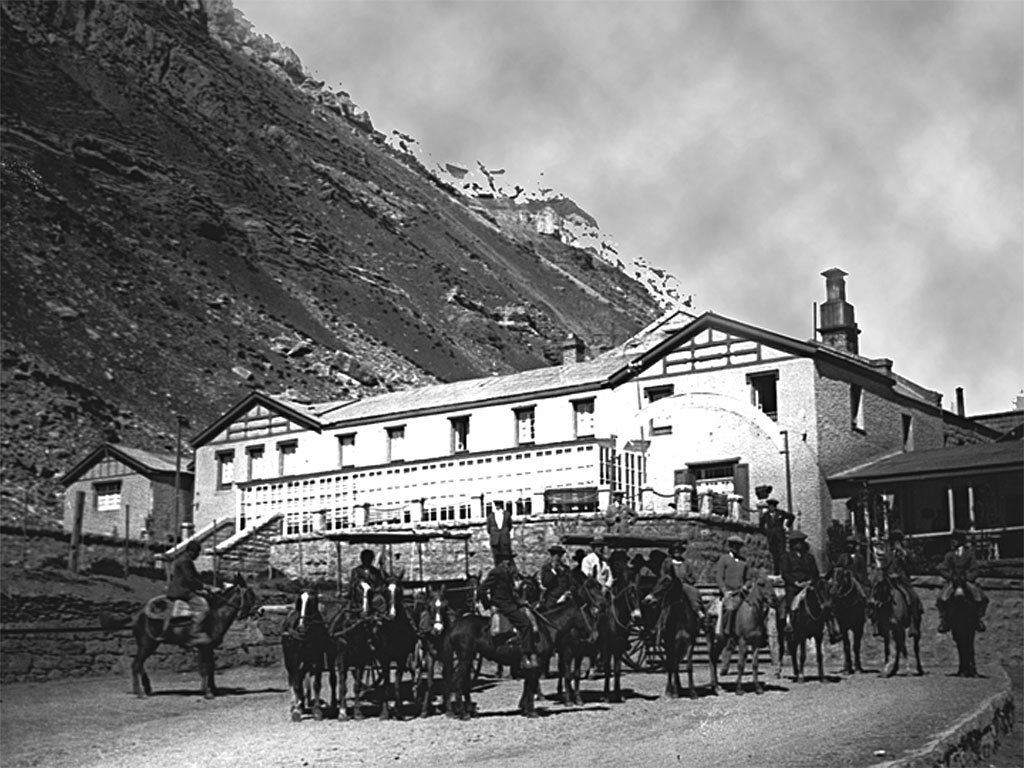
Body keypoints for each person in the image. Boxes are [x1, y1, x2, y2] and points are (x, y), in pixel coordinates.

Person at [480, 549, 537, 668]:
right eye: (506, 559)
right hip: (504, 605)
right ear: (501, 561)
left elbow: (510, 592)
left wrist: (520, 601)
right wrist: (489, 604)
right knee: (525, 624)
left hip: (511, 603)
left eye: (509, 559)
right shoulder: (496, 572)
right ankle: (527, 655)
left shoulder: (508, 572)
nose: (508, 562)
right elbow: (482, 590)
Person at [936, 530, 988, 633]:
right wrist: (951, 577)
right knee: (941, 599)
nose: (952, 542)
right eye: (952, 540)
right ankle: (944, 620)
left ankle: (978, 619)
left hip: (966, 580)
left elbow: (975, 569)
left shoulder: (969, 554)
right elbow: (942, 568)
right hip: (953, 581)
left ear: (960, 541)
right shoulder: (949, 555)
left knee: (983, 598)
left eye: (954, 540)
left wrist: (968, 577)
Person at [876, 531, 923, 636]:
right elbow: (883, 566)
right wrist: (885, 573)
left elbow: (913, 564)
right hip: (888, 580)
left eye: (897, 541)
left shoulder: (905, 553)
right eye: (893, 541)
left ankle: (913, 623)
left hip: (902, 580)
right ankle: (878, 623)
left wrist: (903, 552)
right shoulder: (888, 553)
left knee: (912, 597)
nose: (895, 543)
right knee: (877, 596)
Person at [650, 539, 707, 622]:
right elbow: (663, 574)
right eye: (675, 550)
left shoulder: (686, 563)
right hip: (669, 584)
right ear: (672, 551)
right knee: (658, 593)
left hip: (683, 584)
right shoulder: (667, 562)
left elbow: (692, 577)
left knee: (692, 592)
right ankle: (653, 615)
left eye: (678, 550)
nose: (677, 552)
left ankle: (697, 610)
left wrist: (687, 579)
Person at [166, 540, 211, 646]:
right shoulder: (185, 561)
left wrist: (204, 584)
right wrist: (203, 587)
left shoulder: (183, 559)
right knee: (203, 607)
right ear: (192, 552)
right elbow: (190, 579)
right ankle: (194, 633)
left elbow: (195, 576)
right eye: (197, 553)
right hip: (182, 591)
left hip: (182, 588)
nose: (197, 556)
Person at [780, 530, 819, 634]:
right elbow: (785, 573)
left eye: (801, 542)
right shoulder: (786, 557)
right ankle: (789, 622)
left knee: (821, 600)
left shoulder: (809, 557)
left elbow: (815, 572)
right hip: (794, 586)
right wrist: (795, 583)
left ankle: (829, 626)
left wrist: (810, 581)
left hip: (808, 585)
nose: (800, 544)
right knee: (790, 602)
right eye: (798, 542)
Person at [714, 534, 752, 637]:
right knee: (730, 609)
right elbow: (719, 577)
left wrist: (746, 586)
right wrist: (724, 591)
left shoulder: (744, 562)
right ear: (730, 546)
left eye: (738, 546)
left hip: (741, 593)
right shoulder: (724, 559)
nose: (736, 548)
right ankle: (727, 631)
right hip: (729, 593)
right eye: (734, 546)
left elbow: (748, 579)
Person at [830, 534, 869, 601]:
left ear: (855, 545)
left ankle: (864, 598)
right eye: (848, 544)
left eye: (851, 544)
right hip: (842, 576)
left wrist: (857, 576)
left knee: (858, 586)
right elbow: (838, 566)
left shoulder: (860, 557)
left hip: (855, 577)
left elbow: (863, 571)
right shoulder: (843, 556)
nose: (850, 546)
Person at [760, 499, 794, 575]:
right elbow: (761, 526)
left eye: (773, 506)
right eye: (770, 506)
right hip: (771, 538)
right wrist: (767, 532)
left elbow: (791, 517)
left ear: (775, 506)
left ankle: (784, 571)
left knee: (782, 554)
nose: (771, 508)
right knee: (774, 554)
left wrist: (788, 525)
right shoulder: (766, 515)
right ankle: (776, 571)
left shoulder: (780, 513)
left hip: (780, 537)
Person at [540, 544, 574, 609]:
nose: (557, 558)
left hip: (565, 598)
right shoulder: (546, 568)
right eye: (555, 555)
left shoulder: (566, 569)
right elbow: (545, 583)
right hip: (552, 599)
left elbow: (571, 583)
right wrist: (553, 570)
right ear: (551, 556)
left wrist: (566, 594)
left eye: (559, 555)